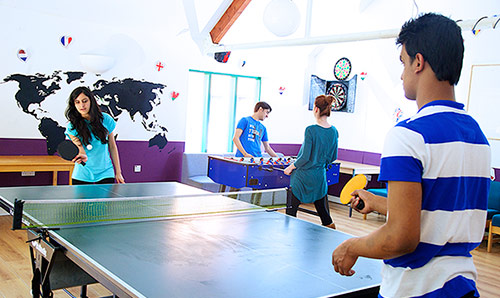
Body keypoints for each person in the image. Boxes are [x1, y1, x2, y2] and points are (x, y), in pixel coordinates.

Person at [331, 13, 491, 298]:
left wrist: (351, 246)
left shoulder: (407, 134)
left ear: (419, 62)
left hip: (415, 290)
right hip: (463, 287)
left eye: (403, 63)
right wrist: (380, 203)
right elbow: (440, 214)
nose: (402, 73)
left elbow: (401, 238)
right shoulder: (477, 136)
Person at [284, 95, 338, 229]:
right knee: (324, 213)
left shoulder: (311, 130)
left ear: (316, 109)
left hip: (302, 177)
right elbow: (333, 157)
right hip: (320, 176)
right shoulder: (334, 131)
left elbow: (305, 157)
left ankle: (287, 232)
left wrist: (290, 167)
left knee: (291, 211)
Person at [65, 86, 125, 184]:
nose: (82, 105)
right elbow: (80, 148)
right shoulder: (72, 126)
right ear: (74, 104)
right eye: (77, 102)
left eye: (85, 101)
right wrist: (81, 155)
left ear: (91, 101)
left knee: (105, 200)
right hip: (82, 174)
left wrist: (118, 172)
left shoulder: (106, 119)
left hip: (105, 172)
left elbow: (113, 147)